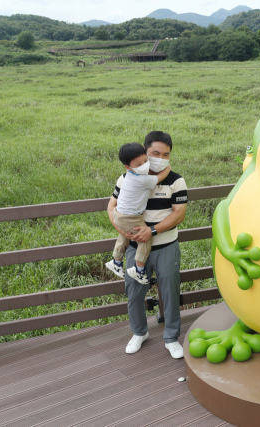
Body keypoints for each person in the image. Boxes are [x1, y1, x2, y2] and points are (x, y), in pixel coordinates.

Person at [107, 131, 188, 358]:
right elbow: (111, 207)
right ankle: (139, 332)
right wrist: (122, 230)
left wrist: (151, 230)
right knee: (134, 292)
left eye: (166, 154)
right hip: (135, 247)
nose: (160, 158)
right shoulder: (127, 178)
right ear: (145, 151)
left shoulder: (176, 180)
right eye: (155, 153)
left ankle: (171, 337)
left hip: (166, 246)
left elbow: (179, 214)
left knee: (170, 292)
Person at [105, 143, 172, 285]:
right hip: (131, 216)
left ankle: (116, 261)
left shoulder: (129, 175)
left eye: (145, 161)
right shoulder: (142, 180)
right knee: (145, 238)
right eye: (139, 164)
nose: (144, 165)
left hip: (120, 215)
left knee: (125, 236)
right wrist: (168, 168)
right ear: (128, 167)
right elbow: (160, 177)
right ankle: (138, 269)